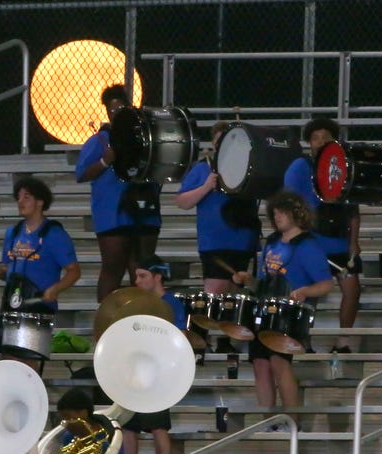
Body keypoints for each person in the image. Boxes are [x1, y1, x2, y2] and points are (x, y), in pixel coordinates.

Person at [232, 192, 333, 429]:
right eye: (274, 212)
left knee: (279, 361)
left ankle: (292, 421)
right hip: (264, 308)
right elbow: (263, 281)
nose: (277, 216)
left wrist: (306, 291)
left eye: (282, 212)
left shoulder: (308, 245)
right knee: (260, 363)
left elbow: (327, 284)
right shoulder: (272, 242)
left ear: (297, 214)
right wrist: (248, 280)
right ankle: (268, 423)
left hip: (290, 314)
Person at [175, 121, 260, 353]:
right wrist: (205, 187)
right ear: (213, 143)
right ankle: (198, 339)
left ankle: (225, 340)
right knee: (214, 289)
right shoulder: (204, 168)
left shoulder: (248, 167)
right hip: (215, 241)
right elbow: (182, 201)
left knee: (234, 291)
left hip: (242, 239)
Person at [75, 84, 161, 302]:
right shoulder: (100, 140)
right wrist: (106, 160)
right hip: (111, 213)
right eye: (111, 109)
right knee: (113, 268)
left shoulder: (145, 137)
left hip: (141, 211)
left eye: (120, 107)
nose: (115, 112)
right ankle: (105, 322)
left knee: (141, 271)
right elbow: (81, 173)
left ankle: (141, 319)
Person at [283, 118, 361, 353]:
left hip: (339, 241)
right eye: (315, 138)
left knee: (352, 289)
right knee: (309, 294)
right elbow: (288, 203)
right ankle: (303, 341)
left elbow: (353, 209)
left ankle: (343, 341)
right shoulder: (300, 166)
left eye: (326, 137)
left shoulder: (344, 166)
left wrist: (354, 242)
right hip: (313, 242)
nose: (321, 142)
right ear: (309, 142)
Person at [122, 255, 190, 454]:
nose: (137, 281)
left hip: (159, 371)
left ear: (157, 277)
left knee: (158, 425)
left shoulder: (171, 304)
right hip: (135, 369)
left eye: (143, 276)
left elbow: (179, 337)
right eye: (136, 277)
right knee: (128, 425)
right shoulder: (135, 304)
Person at [0, 176, 81, 314]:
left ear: (40, 202)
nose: (20, 202)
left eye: (26, 197)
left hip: (40, 307)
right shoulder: (12, 233)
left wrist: (55, 289)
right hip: (11, 302)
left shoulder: (54, 234)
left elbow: (74, 271)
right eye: (18, 197)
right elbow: (10, 267)